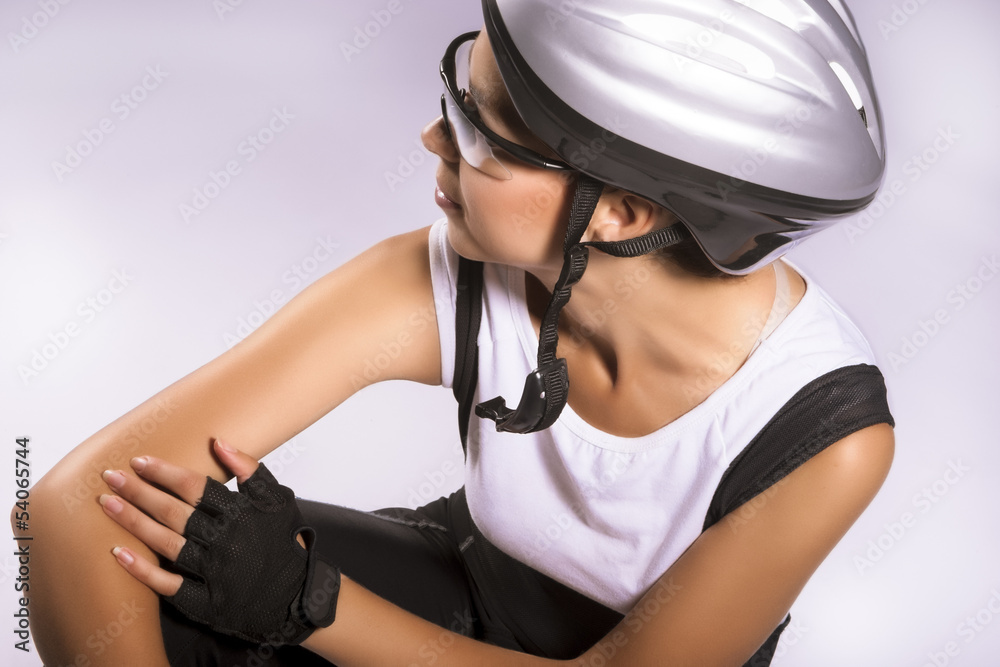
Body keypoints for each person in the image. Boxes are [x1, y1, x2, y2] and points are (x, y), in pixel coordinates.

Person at [22, 1, 896, 665]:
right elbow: (69, 509)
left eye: (482, 131)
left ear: (622, 211)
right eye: (459, 94)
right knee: (163, 561)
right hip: (460, 597)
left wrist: (312, 601)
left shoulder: (823, 435)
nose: (434, 135)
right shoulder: (449, 275)